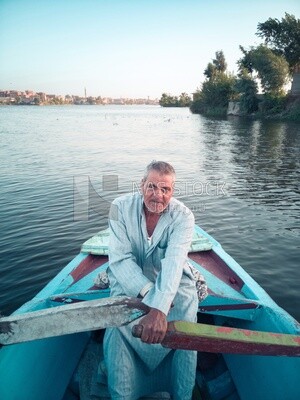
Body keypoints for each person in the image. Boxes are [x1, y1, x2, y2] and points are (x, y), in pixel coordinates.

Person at [103, 161, 199, 400]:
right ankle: (123, 392)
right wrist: (152, 300)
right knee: (119, 318)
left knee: (187, 308)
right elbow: (120, 260)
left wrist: (160, 307)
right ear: (141, 185)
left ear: (172, 192)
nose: (157, 195)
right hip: (129, 278)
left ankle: (180, 392)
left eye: (165, 189)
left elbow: (175, 262)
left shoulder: (184, 216)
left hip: (168, 278)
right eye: (152, 187)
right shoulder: (119, 207)